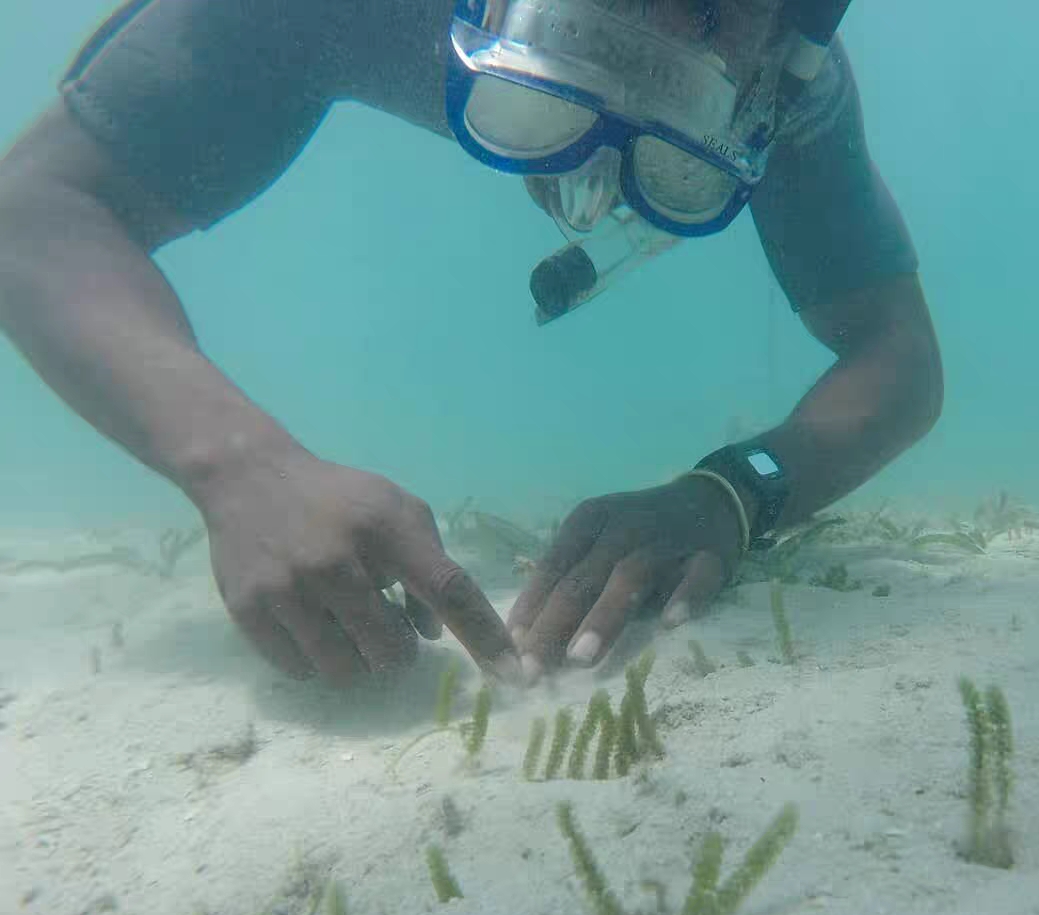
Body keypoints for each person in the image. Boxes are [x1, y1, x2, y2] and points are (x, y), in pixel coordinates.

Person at [0, 0, 942, 687]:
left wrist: (735, 490)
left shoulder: (787, 78)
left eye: (703, 19)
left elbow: (896, 355)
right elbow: (34, 214)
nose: (627, 70)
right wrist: (240, 466)